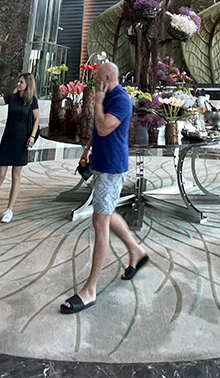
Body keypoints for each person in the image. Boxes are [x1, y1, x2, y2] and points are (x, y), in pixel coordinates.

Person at [60, 62, 147, 314]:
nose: (95, 82)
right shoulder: (107, 96)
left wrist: (97, 103)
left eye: (98, 78)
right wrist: (88, 149)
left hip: (111, 168)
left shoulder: (120, 100)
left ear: (108, 77)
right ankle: (137, 251)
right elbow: (97, 132)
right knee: (106, 213)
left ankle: (90, 290)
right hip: (100, 162)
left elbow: (103, 126)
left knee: (100, 222)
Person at [0, 72, 40, 225]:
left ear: (28, 84)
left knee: (16, 175)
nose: (18, 84)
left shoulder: (32, 101)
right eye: (18, 81)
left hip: (22, 141)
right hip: (8, 139)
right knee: (0, 176)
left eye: (21, 82)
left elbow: (36, 119)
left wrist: (32, 136)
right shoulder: (12, 98)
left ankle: (9, 209)